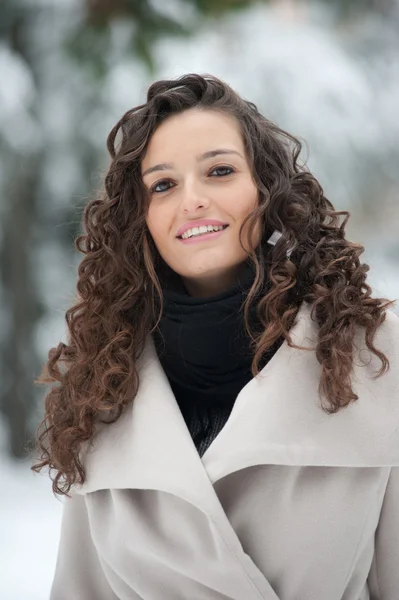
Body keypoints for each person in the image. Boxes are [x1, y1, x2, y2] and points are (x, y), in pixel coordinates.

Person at [32, 73, 399, 600]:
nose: (193, 200)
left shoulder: (376, 359)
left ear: (267, 190)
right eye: (163, 185)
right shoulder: (103, 386)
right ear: (142, 220)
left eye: (220, 171)